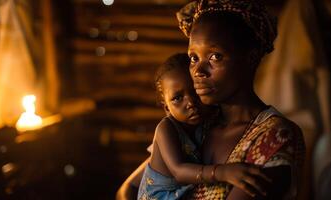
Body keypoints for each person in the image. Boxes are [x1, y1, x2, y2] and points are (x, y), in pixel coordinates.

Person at [117, 0, 305, 199]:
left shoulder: (275, 136)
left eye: (215, 56)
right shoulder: (195, 124)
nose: (198, 71)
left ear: (251, 57)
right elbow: (127, 190)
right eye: (193, 58)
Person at [137, 53, 271, 200]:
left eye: (194, 91)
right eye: (177, 98)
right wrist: (223, 173)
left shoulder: (210, 120)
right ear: (167, 108)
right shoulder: (166, 129)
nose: (190, 103)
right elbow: (179, 171)